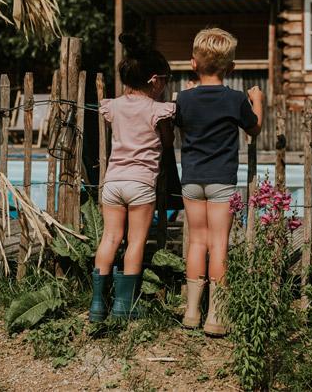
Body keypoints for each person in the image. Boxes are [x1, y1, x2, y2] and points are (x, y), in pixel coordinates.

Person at [175, 28, 263, 336]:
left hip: (192, 178)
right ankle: (216, 315)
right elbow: (254, 128)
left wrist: (188, 94)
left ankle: (191, 312)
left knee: (197, 242)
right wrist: (257, 101)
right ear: (231, 67)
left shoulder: (183, 98)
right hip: (221, 180)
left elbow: (181, 122)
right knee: (218, 244)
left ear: (193, 64)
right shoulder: (235, 99)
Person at [89, 34, 175, 322]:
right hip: (140, 184)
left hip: (113, 182)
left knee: (110, 237)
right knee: (136, 241)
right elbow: (167, 143)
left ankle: (98, 305)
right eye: (165, 80)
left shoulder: (112, 106)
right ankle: (124, 305)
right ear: (154, 81)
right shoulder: (158, 110)